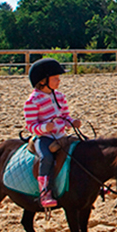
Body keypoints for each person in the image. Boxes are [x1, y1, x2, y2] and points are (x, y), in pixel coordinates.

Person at [24, 58, 82, 209]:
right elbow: (30, 126)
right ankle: (45, 191)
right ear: (43, 81)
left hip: (61, 136)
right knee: (46, 157)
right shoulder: (33, 101)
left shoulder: (60, 96)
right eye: (55, 78)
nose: (59, 81)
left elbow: (65, 116)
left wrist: (72, 122)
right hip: (44, 138)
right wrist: (45, 127)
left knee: (84, 147)